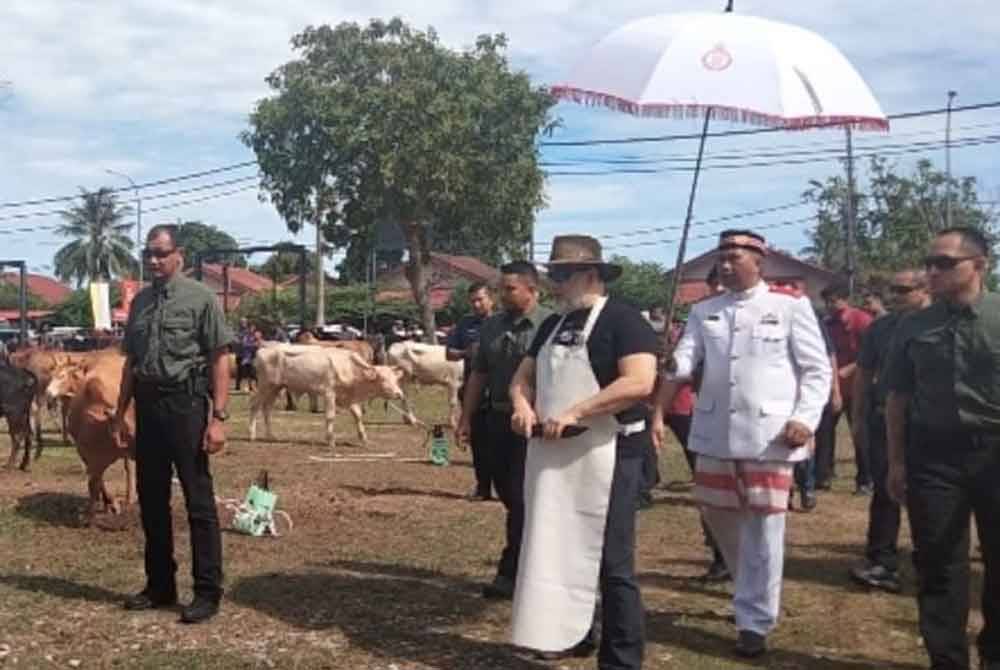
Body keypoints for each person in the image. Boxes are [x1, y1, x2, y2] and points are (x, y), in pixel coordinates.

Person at [653, 230, 831, 658]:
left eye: (734, 256)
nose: (726, 264)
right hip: (715, 433)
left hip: (770, 436)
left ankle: (754, 619)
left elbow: (816, 370)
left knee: (765, 528)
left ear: (759, 261)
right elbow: (686, 361)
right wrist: (668, 359)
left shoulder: (789, 306)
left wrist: (804, 418)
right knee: (718, 515)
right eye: (722, 257)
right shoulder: (705, 310)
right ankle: (746, 583)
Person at [508, 235, 657, 668]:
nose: (554, 283)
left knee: (612, 561)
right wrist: (520, 403)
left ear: (590, 275)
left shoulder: (624, 322)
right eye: (552, 274)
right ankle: (570, 631)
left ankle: (621, 658)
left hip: (610, 451)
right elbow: (523, 377)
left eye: (562, 275)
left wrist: (578, 411)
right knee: (556, 545)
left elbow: (639, 382)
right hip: (553, 454)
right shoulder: (552, 325)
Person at [885, 227, 1000, 670]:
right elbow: (897, 397)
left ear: (979, 265)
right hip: (933, 456)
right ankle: (946, 659)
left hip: (995, 451)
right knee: (938, 562)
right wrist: (896, 461)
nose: (932, 271)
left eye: (945, 263)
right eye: (929, 262)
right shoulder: (913, 325)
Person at [113, 224, 234, 625]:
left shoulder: (200, 298)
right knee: (151, 499)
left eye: (161, 253)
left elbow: (220, 358)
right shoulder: (141, 302)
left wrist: (217, 418)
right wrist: (120, 414)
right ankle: (160, 584)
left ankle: (207, 591)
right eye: (148, 253)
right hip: (148, 406)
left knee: (198, 501)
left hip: (186, 404)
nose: (153, 260)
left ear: (178, 254)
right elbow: (131, 362)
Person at [457, 262, 550, 599]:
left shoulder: (549, 324)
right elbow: (478, 374)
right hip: (495, 419)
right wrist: (465, 417)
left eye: (510, 288)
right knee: (508, 493)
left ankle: (513, 571)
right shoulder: (492, 326)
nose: (503, 295)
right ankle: (522, 562)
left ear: (531, 289)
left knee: (524, 497)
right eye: (501, 288)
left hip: (534, 425)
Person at [848, 269, 930, 594]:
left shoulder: (940, 324)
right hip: (885, 420)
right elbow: (865, 373)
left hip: (930, 424)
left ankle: (931, 562)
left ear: (925, 290)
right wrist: (857, 417)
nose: (895, 296)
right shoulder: (880, 328)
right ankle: (881, 560)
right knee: (886, 489)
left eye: (903, 290)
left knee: (929, 495)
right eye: (892, 290)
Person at [821, 282, 875, 495]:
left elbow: (871, 353)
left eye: (834, 301)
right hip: (833, 387)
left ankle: (865, 480)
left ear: (845, 299)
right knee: (824, 432)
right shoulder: (827, 324)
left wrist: (849, 370)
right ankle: (823, 476)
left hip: (858, 387)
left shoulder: (862, 321)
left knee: (860, 433)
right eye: (827, 302)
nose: (830, 306)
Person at [447, 282, 496, 501]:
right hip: (472, 390)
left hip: (501, 391)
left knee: (503, 441)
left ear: (491, 299)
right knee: (478, 440)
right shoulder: (465, 324)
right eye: (473, 300)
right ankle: (482, 486)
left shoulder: (503, 322)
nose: (476, 304)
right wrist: (468, 351)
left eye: (480, 299)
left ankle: (508, 487)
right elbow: (449, 353)